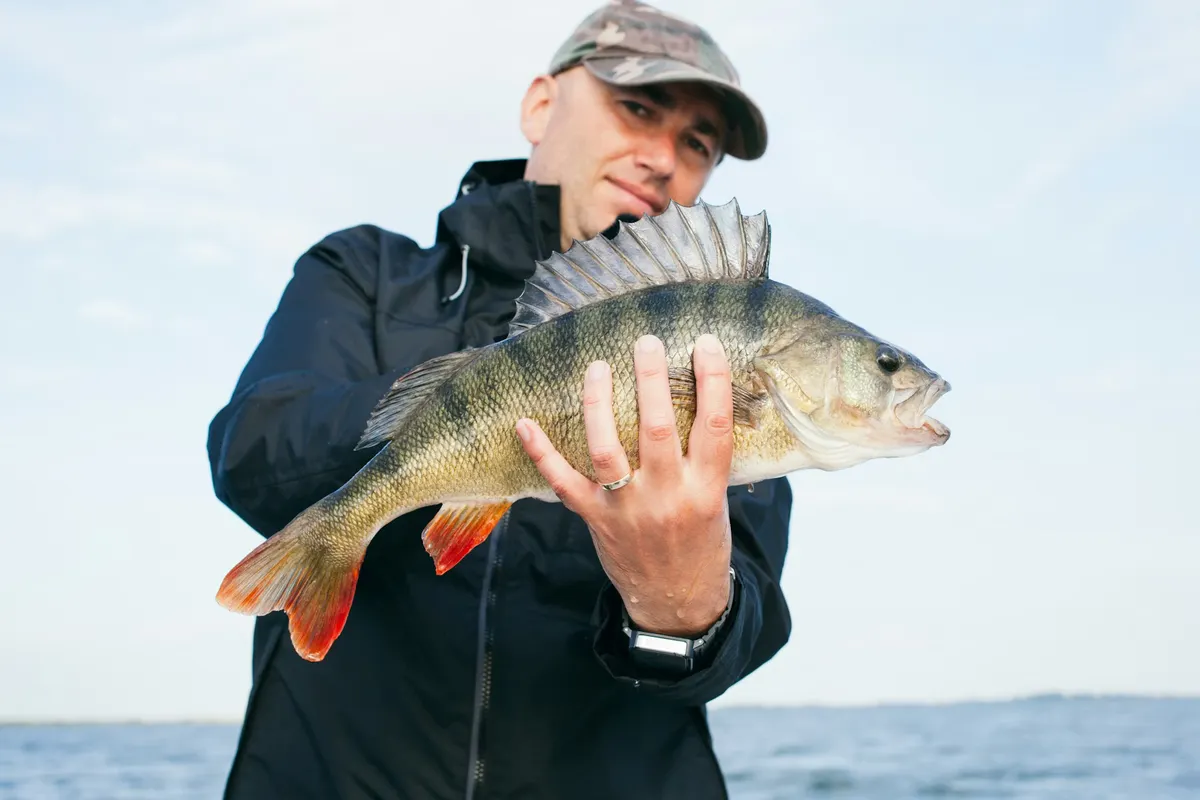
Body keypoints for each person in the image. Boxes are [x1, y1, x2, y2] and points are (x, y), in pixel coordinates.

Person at [206, 2, 794, 798]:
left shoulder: (715, 359)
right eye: (639, 107)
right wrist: (476, 408)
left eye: (698, 143)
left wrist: (681, 612)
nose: (661, 156)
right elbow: (252, 451)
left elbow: (739, 627)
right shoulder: (363, 273)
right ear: (540, 106)